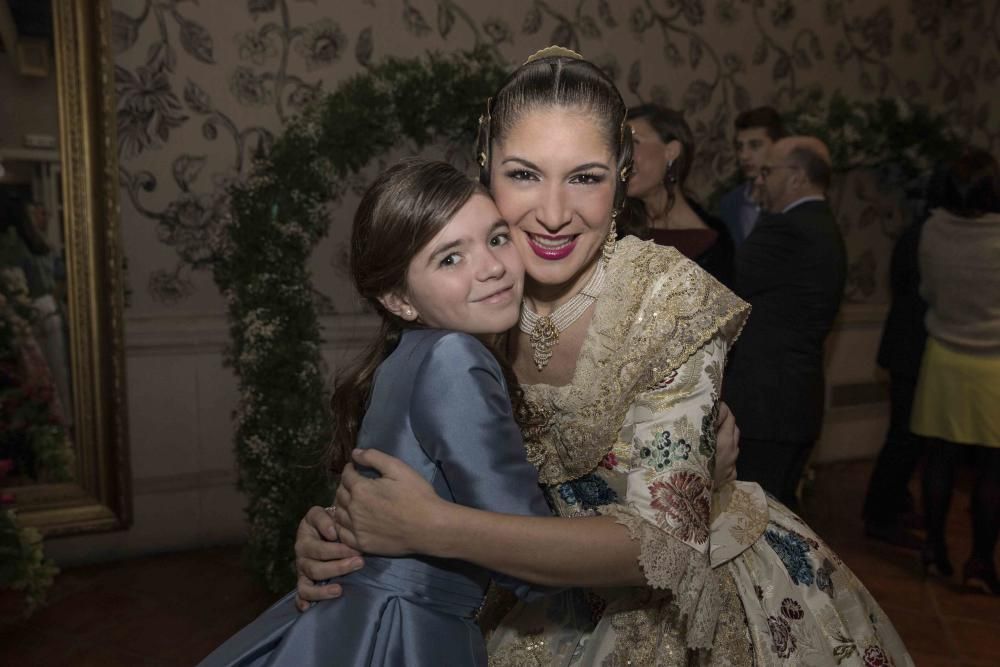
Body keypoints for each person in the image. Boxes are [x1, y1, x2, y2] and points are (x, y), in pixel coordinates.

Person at [296, 48, 911, 665]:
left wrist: (430, 528)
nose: (555, 214)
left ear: (622, 178)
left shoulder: (668, 300)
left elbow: (664, 549)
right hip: (509, 590)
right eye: (525, 175)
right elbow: (413, 446)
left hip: (670, 604)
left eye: (585, 177)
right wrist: (339, 533)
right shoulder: (472, 290)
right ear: (486, 173)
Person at [198, 159, 555, 666]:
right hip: (401, 631)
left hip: (349, 615)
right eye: (450, 258)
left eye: (497, 238)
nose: (491, 266)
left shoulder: (405, 356)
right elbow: (530, 559)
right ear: (399, 299)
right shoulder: (456, 357)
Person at [722, 136, 847, 510]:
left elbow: (721, 287)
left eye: (767, 171)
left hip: (765, 405)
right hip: (795, 401)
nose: (759, 181)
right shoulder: (825, 225)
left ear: (796, 177)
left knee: (748, 521)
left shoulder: (785, 228)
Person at [910, 148, 1000, 594]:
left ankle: (934, 549)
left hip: (943, 355)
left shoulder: (933, 229)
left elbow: (927, 289)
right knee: (992, 471)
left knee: (938, 460)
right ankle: (981, 563)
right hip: (993, 365)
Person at [861, 212, 928, 549]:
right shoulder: (927, 234)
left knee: (906, 436)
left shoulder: (918, 230)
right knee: (904, 436)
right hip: (912, 351)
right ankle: (880, 514)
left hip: (904, 349)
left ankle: (890, 506)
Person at [618, 104, 734, 285]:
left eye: (633, 142)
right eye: (620, 145)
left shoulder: (715, 242)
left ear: (671, 151)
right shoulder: (615, 229)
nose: (622, 155)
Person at [718, 107, 787, 247]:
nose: (744, 155)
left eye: (755, 145)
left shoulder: (791, 201)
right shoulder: (729, 203)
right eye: (739, 147)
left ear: (778, 147)